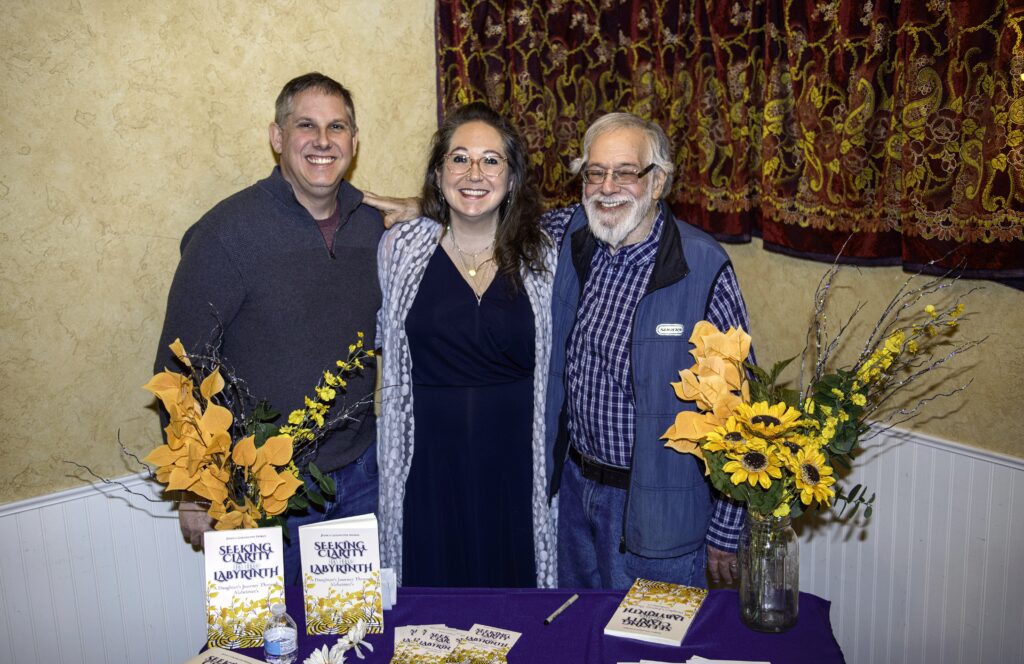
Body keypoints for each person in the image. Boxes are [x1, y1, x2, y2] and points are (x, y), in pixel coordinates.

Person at [154, 72, 383, 585]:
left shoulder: (374, 226)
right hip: (256, 492)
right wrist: (194, 488)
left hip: (360, 477)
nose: (323, 141)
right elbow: (179, 368)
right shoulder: (225, 234)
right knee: (265, 643)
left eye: (337, 126)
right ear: (277, 137)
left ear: (354, 140)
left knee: (351, 634)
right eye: (306, 125)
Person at [541, 112, 750, 589]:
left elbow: (738, 409)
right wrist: (424, 210)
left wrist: (725, 530)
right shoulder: (572, 239)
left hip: (661, 512)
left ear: (657, 183)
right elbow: (491, 218)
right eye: (594, 172)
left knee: (653, 660)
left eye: (625, 172)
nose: (606, 186)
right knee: (582, 641)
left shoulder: (702, 266)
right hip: (575, 496)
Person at [375, 103, 557, 588]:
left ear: (513, 177)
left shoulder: (547, 255)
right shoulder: (400, 250)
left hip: (516, 470)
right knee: (430, 620)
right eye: (459, 159)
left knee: (515, 617)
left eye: (491, 160)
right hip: (428, 470)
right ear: (438, 175)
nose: (474, 173)